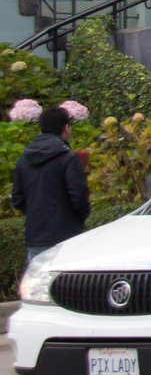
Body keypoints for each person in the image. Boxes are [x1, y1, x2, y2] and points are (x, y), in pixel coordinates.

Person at [11, 105, 90, 264]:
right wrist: (78, 219)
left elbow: (17, 200)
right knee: (66, 286)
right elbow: (79, 196)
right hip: (67, 236)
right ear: (66, 128)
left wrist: (36, 212)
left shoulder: (23, 160)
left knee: (38, 286)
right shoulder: (69, 158)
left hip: (35, 238)